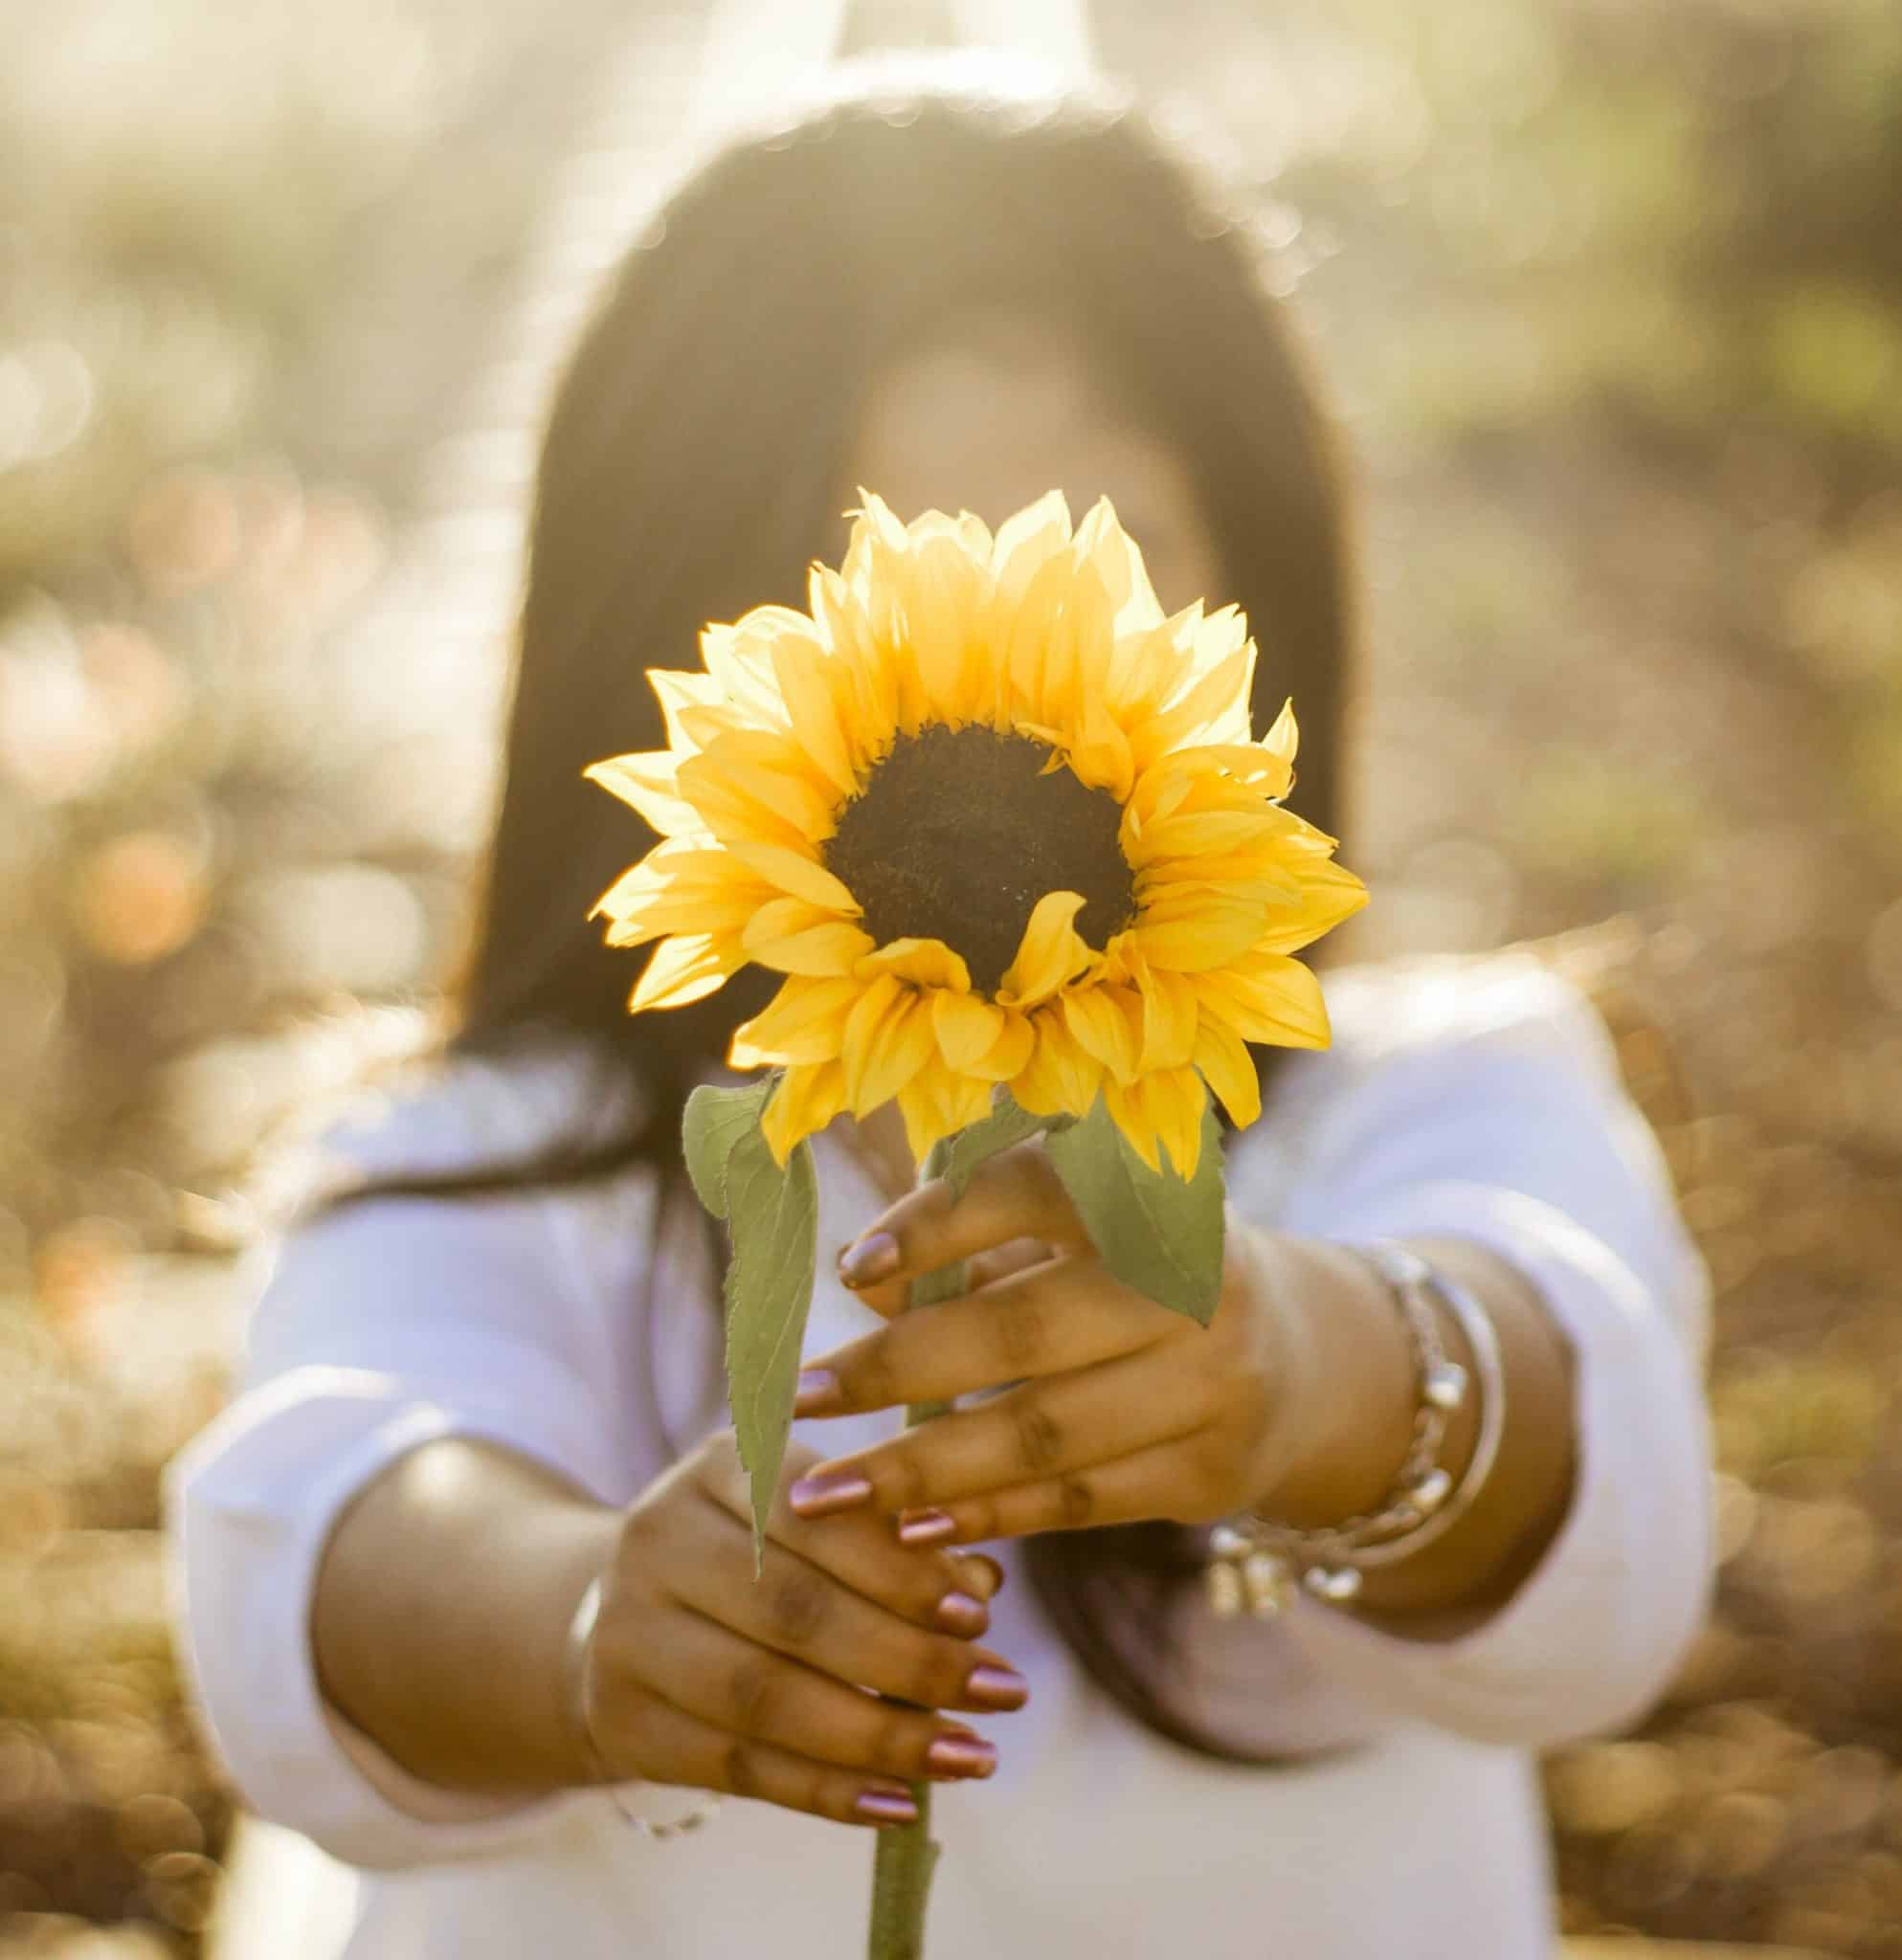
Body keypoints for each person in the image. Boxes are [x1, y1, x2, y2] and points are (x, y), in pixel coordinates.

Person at [167, 63, 1715, 1960]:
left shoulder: (1426, 1101)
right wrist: (584, 1626)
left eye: (1102, 554)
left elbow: (1588, 1471)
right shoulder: (494, 1162)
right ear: (666, 642)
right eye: (866, 568)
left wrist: (1308, 1375)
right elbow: (345, 1502)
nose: (978, 642)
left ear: (1261, 593)